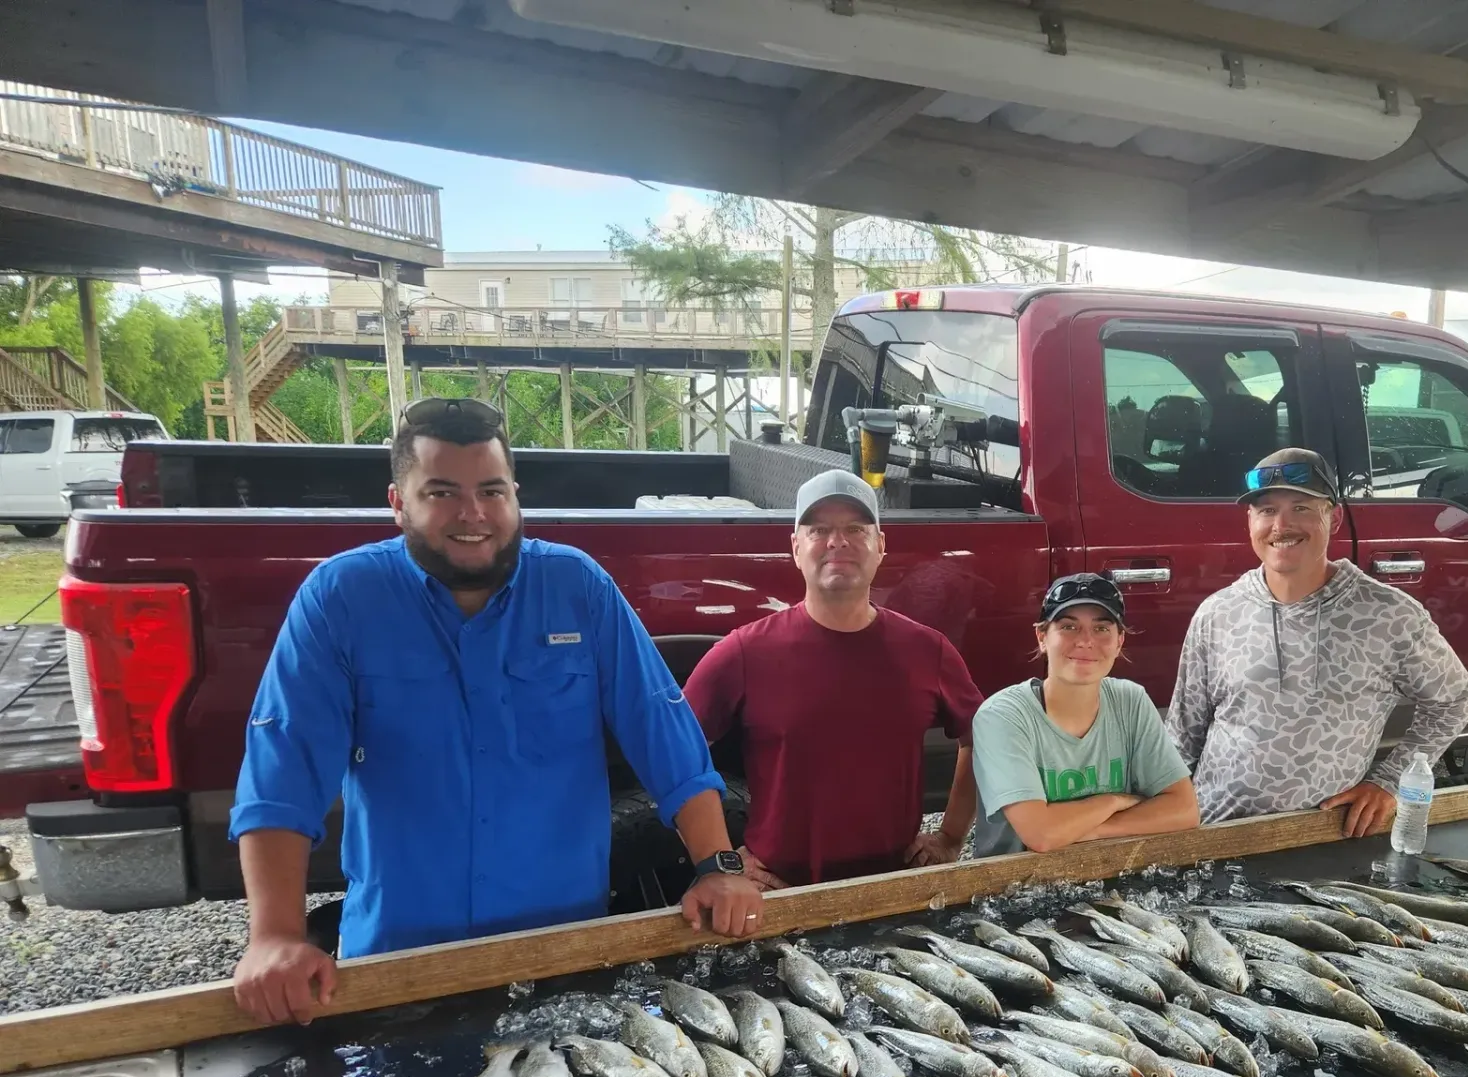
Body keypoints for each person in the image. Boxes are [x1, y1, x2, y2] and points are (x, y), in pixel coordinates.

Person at [230, 397, 760, 1024]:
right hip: (400, 966)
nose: (473, 514)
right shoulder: (340, 599)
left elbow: (663, 732)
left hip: (563, 955)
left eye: (491, 490)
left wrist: (719, 866)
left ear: (516, 495)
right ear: (398, 503)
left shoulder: (577, 588)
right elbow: (282, 772)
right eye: (442, 493)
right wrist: (274, 936)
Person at [683, 470, 983, 888]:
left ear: (880, 545)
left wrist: (951, 836)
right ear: (795, 547)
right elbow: (671, 753)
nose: (837, 541)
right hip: (778, 892)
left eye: (855, 529)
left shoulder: (927, 651)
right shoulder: (743, 653)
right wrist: (718, 860)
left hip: (896, 888)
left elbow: (982, 737)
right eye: (819, 528)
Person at [1168, 447, 1468, 836]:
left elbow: (1454, 699)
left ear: (1334, 517)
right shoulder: (1217, 613)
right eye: (1266, 510)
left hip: (1320, 840)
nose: (1281, 525)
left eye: (1301, 508)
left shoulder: (1388, 615)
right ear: (1249, 521)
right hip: (1213, 831)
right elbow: (1182, 734)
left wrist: (1389, 780)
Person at [971, 573, 1198, 855]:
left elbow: (1185, 810)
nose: (1086, 641)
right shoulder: (1002, 715)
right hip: (1014, 885)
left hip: (1108, 875)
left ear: (1119, 642)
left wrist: (1091, 830)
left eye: (1102, 629)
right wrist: (1113, 801)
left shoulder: (1130, 700)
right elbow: (1041, 836)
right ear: (1042, 637)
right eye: (1068, 626)